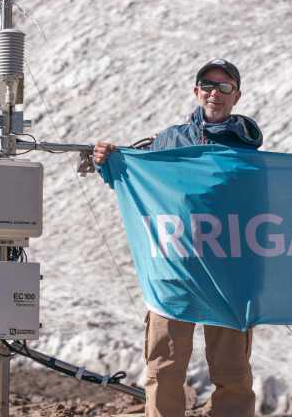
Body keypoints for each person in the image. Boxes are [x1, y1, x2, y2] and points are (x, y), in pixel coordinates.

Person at [93, 58, 262, 417]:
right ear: (196, 91)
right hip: (175, 267)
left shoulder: (248, 150)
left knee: (232, 371)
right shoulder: (169, 141)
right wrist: (109, 161)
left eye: (224, 86)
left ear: (237, 96)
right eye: (208, 85)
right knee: (164, 367)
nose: (215, 93)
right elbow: (137, 183)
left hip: (227, 272)